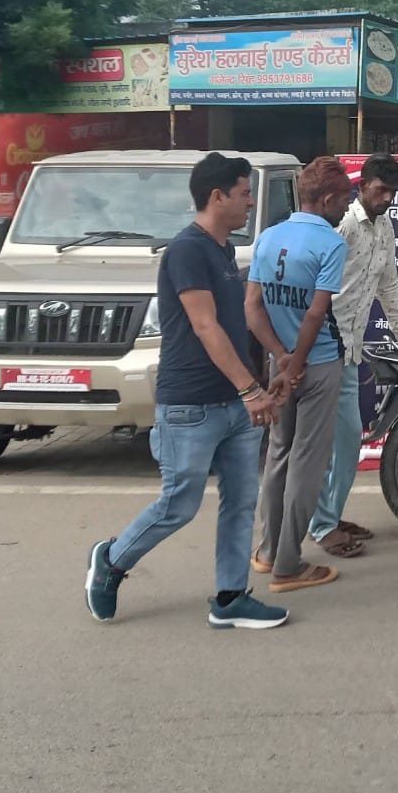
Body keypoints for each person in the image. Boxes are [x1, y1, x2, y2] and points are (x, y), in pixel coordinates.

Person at [84, 153, 288, 630]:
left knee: (241, 502)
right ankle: (112, 560)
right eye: (244, 193)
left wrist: (268, 373)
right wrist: (250, 390)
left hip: (236, 403)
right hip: (191, 405)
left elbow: (237, 323)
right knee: (179, 504)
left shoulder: (222, 251)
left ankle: (230, 597)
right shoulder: (186, 251)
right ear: (217, 196)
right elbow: (204, 326)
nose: (250, 202)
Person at [245, 156, 353, 594]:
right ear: (326, 199)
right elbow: (315, 312)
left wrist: (281, 358)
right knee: (308, 463)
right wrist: (299, 362)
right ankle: (288, 566)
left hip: (280, 364)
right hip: (317, 363)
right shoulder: (331, 243)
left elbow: (252, 306)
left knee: (278, 455)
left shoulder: (269, 236)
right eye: (344, 199)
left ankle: (268, 551)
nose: (347, 206)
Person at [307, 153, 398, 560]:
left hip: (351, 349)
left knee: (349, 440)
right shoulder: (344, 225)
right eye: (380, 190)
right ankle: (321, 524)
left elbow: (388, 286)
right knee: (328, 442)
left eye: (393, 193)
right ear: (362, 186)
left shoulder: (385, 227)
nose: (387, 199)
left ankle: (329, 516)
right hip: (322, 347)